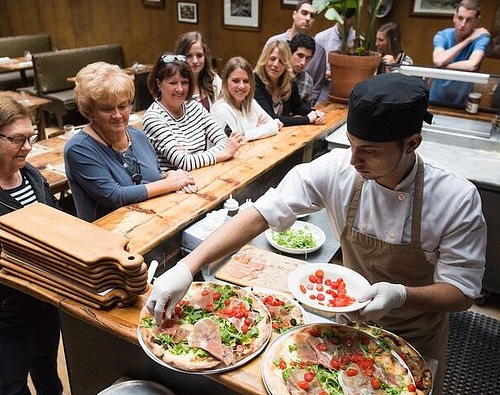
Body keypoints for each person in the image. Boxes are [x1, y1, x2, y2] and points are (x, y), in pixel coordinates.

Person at [146, 73, 486, 394]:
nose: (354, 159)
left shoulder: (455, 198)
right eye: (351, 144)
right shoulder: (337, 168)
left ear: (412, 143)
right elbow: (261, 213)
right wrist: (187, 267)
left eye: (370, 150)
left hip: (413, 335)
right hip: (347, 324)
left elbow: (461, 291)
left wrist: (400, 295)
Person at [64, 62, 197, 222]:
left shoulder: (138, 137)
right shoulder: (78, 149)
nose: (117, 115)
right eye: (106, 109)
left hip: (154, 221)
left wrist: (169, 174)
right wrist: (169, 184)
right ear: (90, 111)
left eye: (123, 106)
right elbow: (115, 196)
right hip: (109, 235)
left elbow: (151, 177)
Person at [0, 95, 63, 395]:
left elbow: (56, 224)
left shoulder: (32, 176)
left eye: (31, 137)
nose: (27, 147)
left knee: (46, 370)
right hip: (8, 311)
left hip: (43, 300)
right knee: (11, 384)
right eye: (17, 139)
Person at [142, 53, 243, 172]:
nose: (179, 89)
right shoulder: (153, 118)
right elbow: (185, 163)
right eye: (173, 83)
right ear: (159, 84)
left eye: (184, 82)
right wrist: (221, 154)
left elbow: (224, 141)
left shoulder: (195, 107)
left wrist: (192, 159)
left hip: (203, 176)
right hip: (176, 187)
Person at [429, 0, 491, 107]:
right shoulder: (442, 35)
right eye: (460, 18)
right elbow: (438, 60)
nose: (462, 24)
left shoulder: (481, 37)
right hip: (434, 98)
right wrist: (469, 39)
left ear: (476, 20)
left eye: (469, 20)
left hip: (461, 102)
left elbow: (472, 65)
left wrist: (445, 66)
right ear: (454, 17)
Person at [265, 0, 326, 105]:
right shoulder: (274, 42)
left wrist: (306, 108)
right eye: (304, 13)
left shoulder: (319, 50)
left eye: (312, 16)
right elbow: (262, 72)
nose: (307, 18)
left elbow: (316, 86)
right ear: (294, 14)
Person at [254, 40, 325, 127]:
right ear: (264, 59)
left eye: (281, 61)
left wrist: (314, 113)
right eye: (272, 59)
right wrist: (307, 119)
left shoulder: (289, 81)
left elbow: (298, 106)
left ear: (286, 65)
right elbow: (270, 118)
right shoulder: (255, 81)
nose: (276, 64)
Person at [211, 56, 282, 142]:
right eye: (236, 81)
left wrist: (247, 135)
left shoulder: (250, 102)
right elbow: (235, 146)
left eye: (246, 81)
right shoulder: (221, 110)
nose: (241, 86)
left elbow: (275, 125)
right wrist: (259, 129)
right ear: (225, 82)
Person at [315, 8, 356, 101]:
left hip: (349, 89)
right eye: (343, 25)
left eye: (349, 25)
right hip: (324, 87)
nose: (346, 28)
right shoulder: (321, 38)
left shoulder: (358, 41)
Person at [175, 31, 222, 112]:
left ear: (205, 57)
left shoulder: (215, 81)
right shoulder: (173, 85)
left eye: (199, 55)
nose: (195, 61)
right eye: (189, 56)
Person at [288, 33, 316, 107]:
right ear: (290, 53)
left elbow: (306, 109)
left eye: (307, 58)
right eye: (300, 56)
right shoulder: (277, 73)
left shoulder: (308, 80)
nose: (303, 62)